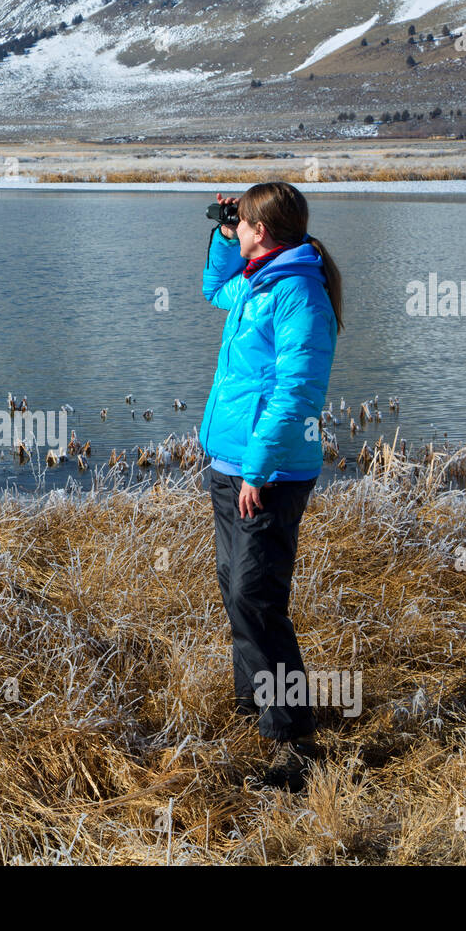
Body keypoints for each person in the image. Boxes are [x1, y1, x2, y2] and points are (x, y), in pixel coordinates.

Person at [198, 181, 343, 791]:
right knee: (235, 587)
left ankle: (292, 738)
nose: (239, 229)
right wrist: (222, 235)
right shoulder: (257, 282)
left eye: (245, 223)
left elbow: (296, 394)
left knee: (257, 595)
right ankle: (253, 700)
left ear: (267, 230)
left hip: (270, 473)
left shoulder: (299, 293)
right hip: (229, 465)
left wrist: (258, 470)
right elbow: (213, 290)